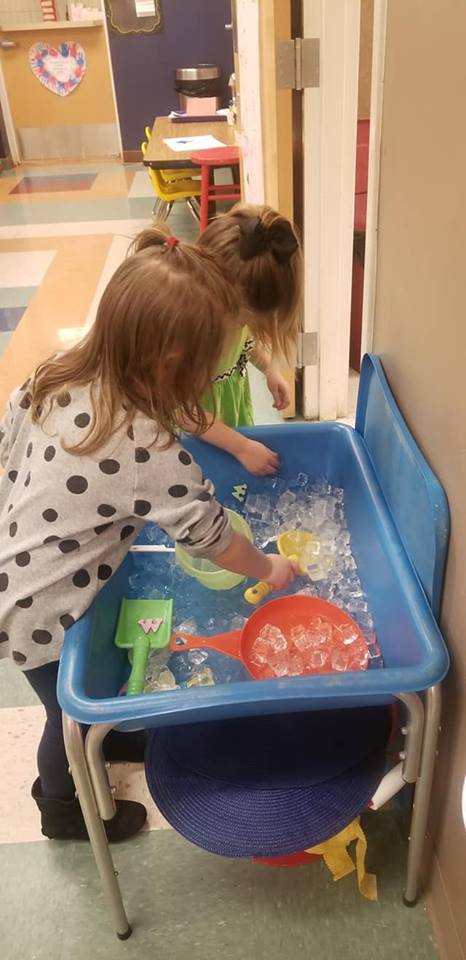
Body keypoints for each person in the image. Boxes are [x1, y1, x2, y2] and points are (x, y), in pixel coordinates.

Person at [0, 230, 297, 843]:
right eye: (209, 365)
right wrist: (269, 569)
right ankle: (63, 806)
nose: (211, 379)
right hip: (36, 609)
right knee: (65, 713)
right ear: (171, 365)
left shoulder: (57, 371)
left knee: (80, 700)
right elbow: (212, 537)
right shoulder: (144, 447)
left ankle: (109, 737)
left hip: (17, 558)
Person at [200, 204, 303, 476]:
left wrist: (270, 370)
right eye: (243, 318)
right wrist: (241, 447)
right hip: (201, 428)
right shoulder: (194, 336)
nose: (244, 326)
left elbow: (245, 343)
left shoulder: (233, 316)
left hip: (229, 414)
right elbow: (182, 412)